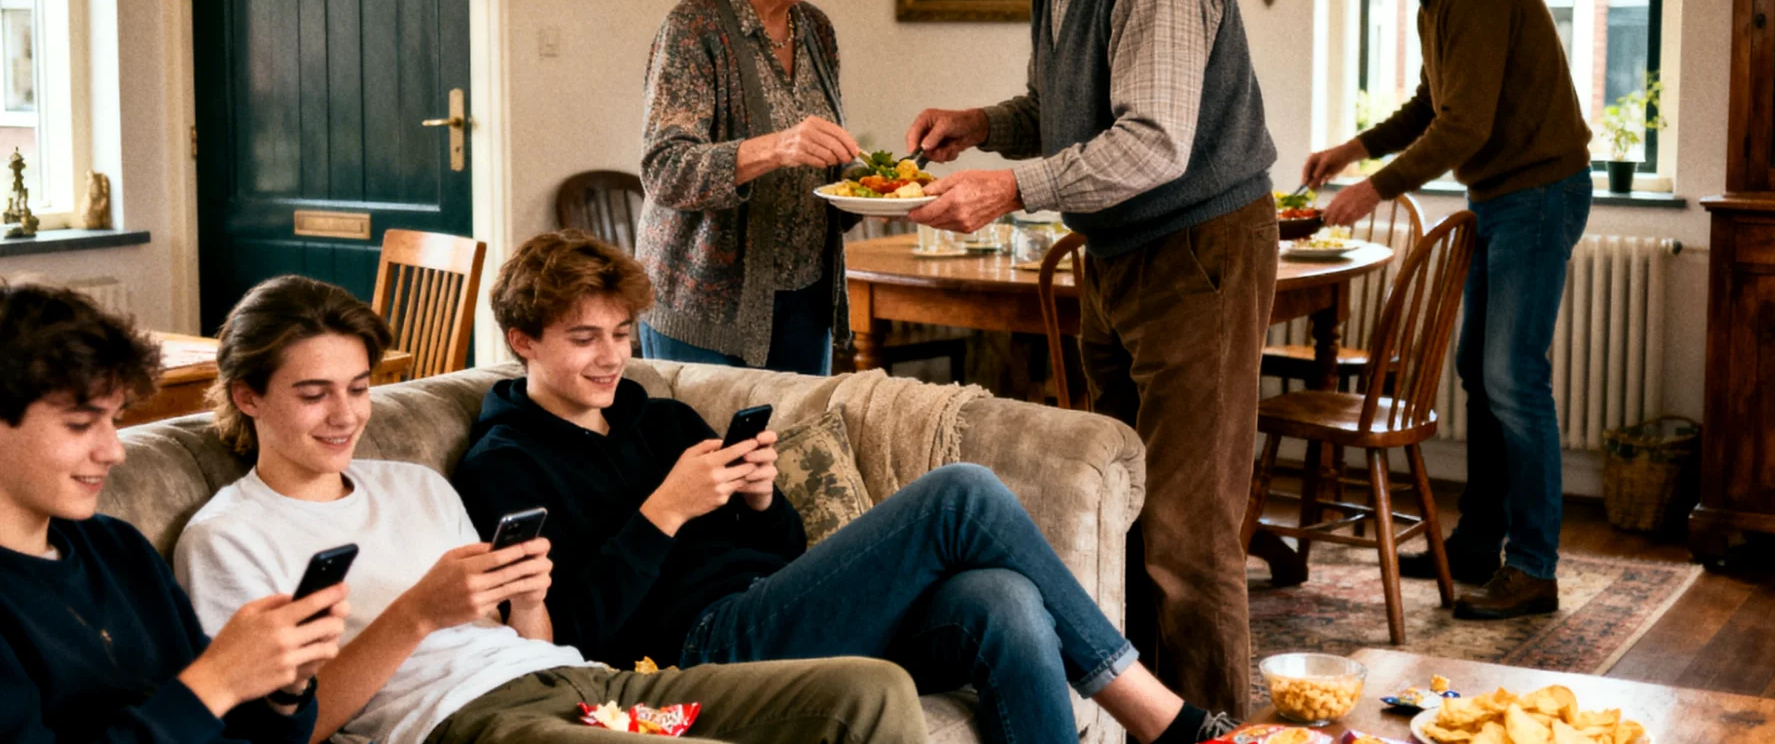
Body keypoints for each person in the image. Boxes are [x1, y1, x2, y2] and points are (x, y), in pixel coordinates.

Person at [453, 228, 1240, 744]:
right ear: (522, 339)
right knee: (961, 491)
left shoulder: (657, 417)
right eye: (583, 338)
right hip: (686, 654)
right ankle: (1159, 716)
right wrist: (663, 513)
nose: (611, 356)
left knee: (1003, 598)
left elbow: (781, 546)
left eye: (622, 334)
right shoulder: (504, 464)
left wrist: (758, 497)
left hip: (773, 605)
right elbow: (568, 641)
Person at [173, 274, 928, 744]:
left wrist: (529, 600)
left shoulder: (415, 485)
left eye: (359, 386)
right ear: (248, 395)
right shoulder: (228, 536)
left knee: (874, 690)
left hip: (588, 688)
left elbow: (529, 637)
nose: (345, 415)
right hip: (474, 724)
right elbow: (280, 731)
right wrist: (415, 613)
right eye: (314, 393)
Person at [902, 0, 1279, 715]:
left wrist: (1011, 187)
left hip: (1197, 254)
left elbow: (1152, 143)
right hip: (1122, 259)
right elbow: (1068, 114)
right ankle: (1152, 721)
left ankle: (1214, 730)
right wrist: (984, 123)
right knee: (1123, 508)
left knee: (1189, 535)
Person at [1304, 0, 1593, 620]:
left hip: (1536, 194)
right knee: (1480, 368)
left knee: (1514, 378)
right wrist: (1353, 147)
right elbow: (1434, 104)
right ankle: (1478, 541)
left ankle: (1533, 567)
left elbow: (1465, 127)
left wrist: (1376, 188)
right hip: (1501, 198)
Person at [0, 282, 350, 744]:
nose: (113, 452)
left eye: (115, 421)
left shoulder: (118, 547)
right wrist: (215, 682)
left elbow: (234, 729)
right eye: (81, 424)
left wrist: (285, 687)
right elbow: (203, 699)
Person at [638, 0, 860, 375]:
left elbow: (820, 159)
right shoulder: (695, 27)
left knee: (799, 453)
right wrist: (777, 148)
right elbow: (664, 170)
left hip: (806, 298)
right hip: (705, 308)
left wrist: (882, 185)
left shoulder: (816, 29)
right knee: (718, 456)